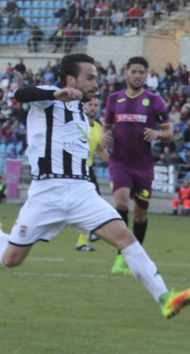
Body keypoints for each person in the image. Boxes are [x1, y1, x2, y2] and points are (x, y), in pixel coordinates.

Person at [0, 53, 190, 319]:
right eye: (90, 78)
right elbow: (20, 93)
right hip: (46, 193)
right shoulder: (49, 97)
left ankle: (165, 298)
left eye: (96, 78)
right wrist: (55, 95)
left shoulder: (84, 114)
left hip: (81, 192)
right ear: (71, 79)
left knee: (125, 238)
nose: (96, 83)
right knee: (10, 260)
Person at [101, 56, 173, 275]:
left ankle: (135, 254)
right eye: (134, 72)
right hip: (119, 161)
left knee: (140, 215)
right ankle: (121, 254)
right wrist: (105, 138)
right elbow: (106, 128)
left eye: (142, 72)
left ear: (146, 75)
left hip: (143, 166)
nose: (138, 76)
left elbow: (169, 133)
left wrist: (158, 134)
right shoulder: (114, 99)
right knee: (121, 203)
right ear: (126, 74)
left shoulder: (154, 100)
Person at [75, 94, 110, 251]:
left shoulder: (98, 127)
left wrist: (114, 163)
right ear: (83, 106)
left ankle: (84, 240)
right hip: (73, 168)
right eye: (90, 104)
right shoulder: (75, 123)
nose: (93, 107)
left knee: (94, 201)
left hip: (87, 170)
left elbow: (99, 149)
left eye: (96, 105)